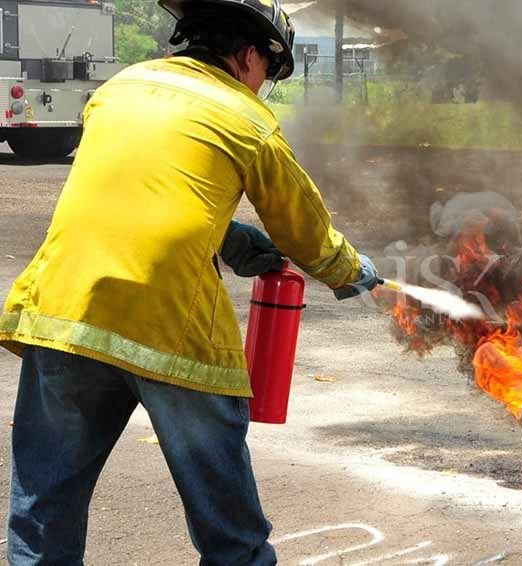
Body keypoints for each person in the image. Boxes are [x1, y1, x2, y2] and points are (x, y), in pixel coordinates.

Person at [0, 0, 379, 563]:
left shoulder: (120, 88)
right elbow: (305, 231)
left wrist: (227, 237)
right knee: (230, 530)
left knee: (44, 513)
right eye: (268, 73)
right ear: (251, 54)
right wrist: (352, 271)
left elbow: (147, 189)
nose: (263, 86)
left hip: (65, 314)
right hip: (169, 329)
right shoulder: (247, 118)